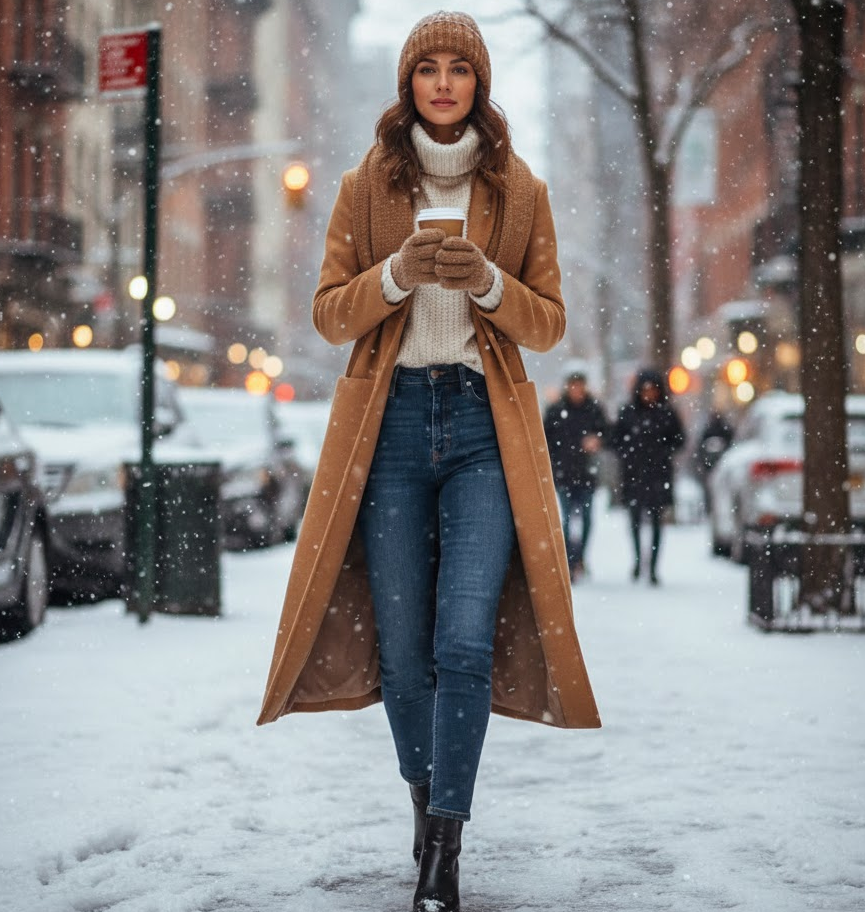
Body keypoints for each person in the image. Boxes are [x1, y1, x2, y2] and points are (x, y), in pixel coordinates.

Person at [257, 12, 600, 911]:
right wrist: (400, 274)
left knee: (462, 643)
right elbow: (331, 315)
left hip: (485, 431)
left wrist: (487, 279)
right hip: (393, 430)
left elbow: (550, 324)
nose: (443, 83)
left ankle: (444, 849)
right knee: (405, 655)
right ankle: (425, 801)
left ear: (480, 83)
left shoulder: (519, 189)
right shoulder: (364, 185)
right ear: (408, 83)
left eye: (459, 69)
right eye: (427, 70)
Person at [611, 368, 686, 585]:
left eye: (652, 390)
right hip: (633, 474)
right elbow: (615, 440)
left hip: (658, 474)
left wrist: (663, 450)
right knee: (634, 520)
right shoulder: (628, 413)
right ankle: (637, 560)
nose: (649, 394)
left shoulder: (667, 413)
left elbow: (679, 439)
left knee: (656, 521)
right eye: (645, 390)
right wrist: (629, 452)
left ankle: (652, 566)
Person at [542, 370, 608, 579]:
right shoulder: (555, 410)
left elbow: (607, 432)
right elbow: (544, 439)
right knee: (567, 520)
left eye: (580, 385)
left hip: (587, 473)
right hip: (563, 473)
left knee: (587, 519)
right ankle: (570, 561)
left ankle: (579, 557)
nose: (577, 390)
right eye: (573, 385)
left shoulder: (594, 409)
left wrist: (597, 440)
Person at [695, 409, 734, 513]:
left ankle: (711, 510)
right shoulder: (724, 431)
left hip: (713, 467)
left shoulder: (708, 431)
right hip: (718, 466)